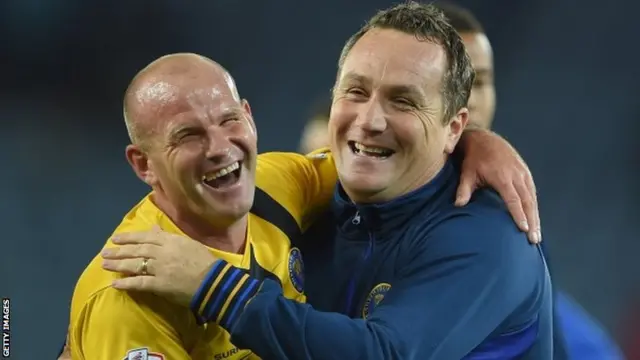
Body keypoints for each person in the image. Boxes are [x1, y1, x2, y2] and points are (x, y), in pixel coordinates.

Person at [100, 3, 551, 359]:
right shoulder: (298, 195)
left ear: (454, 126)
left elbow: (385, 354)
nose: (370, 119)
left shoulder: (487, 236)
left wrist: (216, 288)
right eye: (356, 91)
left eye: (403, 101)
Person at [436, 2, 624, 359]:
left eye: (481, 81)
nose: (470, 98)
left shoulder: (514, 221)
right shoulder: (357, 207)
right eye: (454, 80)